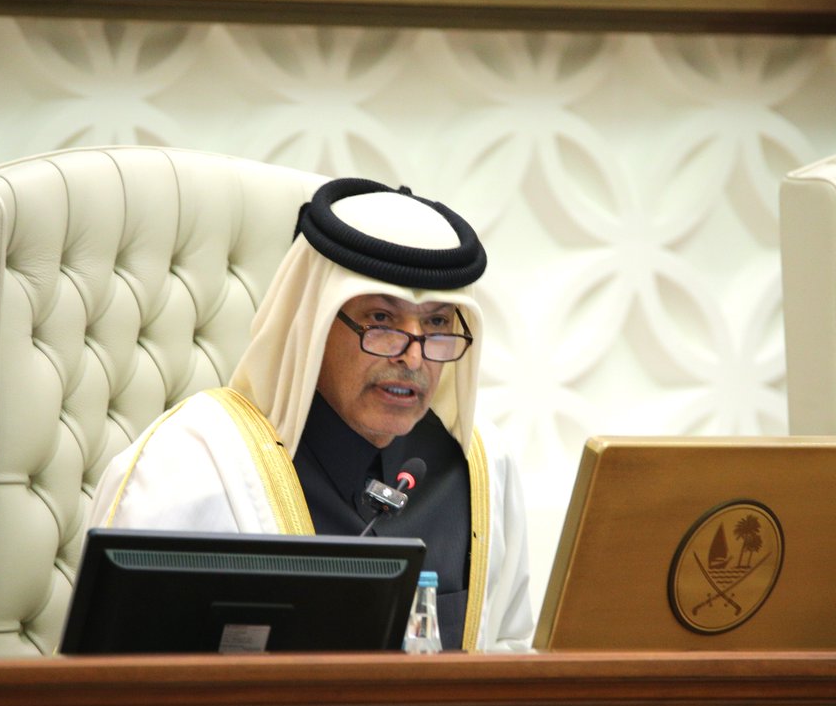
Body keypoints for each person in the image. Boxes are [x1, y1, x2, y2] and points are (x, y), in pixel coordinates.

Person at [87, 177, 534, 652]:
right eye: (381, 320)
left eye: (437, 324)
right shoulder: (192, 467)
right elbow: (119, 683)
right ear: (313, 323)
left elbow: (508, 654)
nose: (414, 358)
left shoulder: (482, 468)